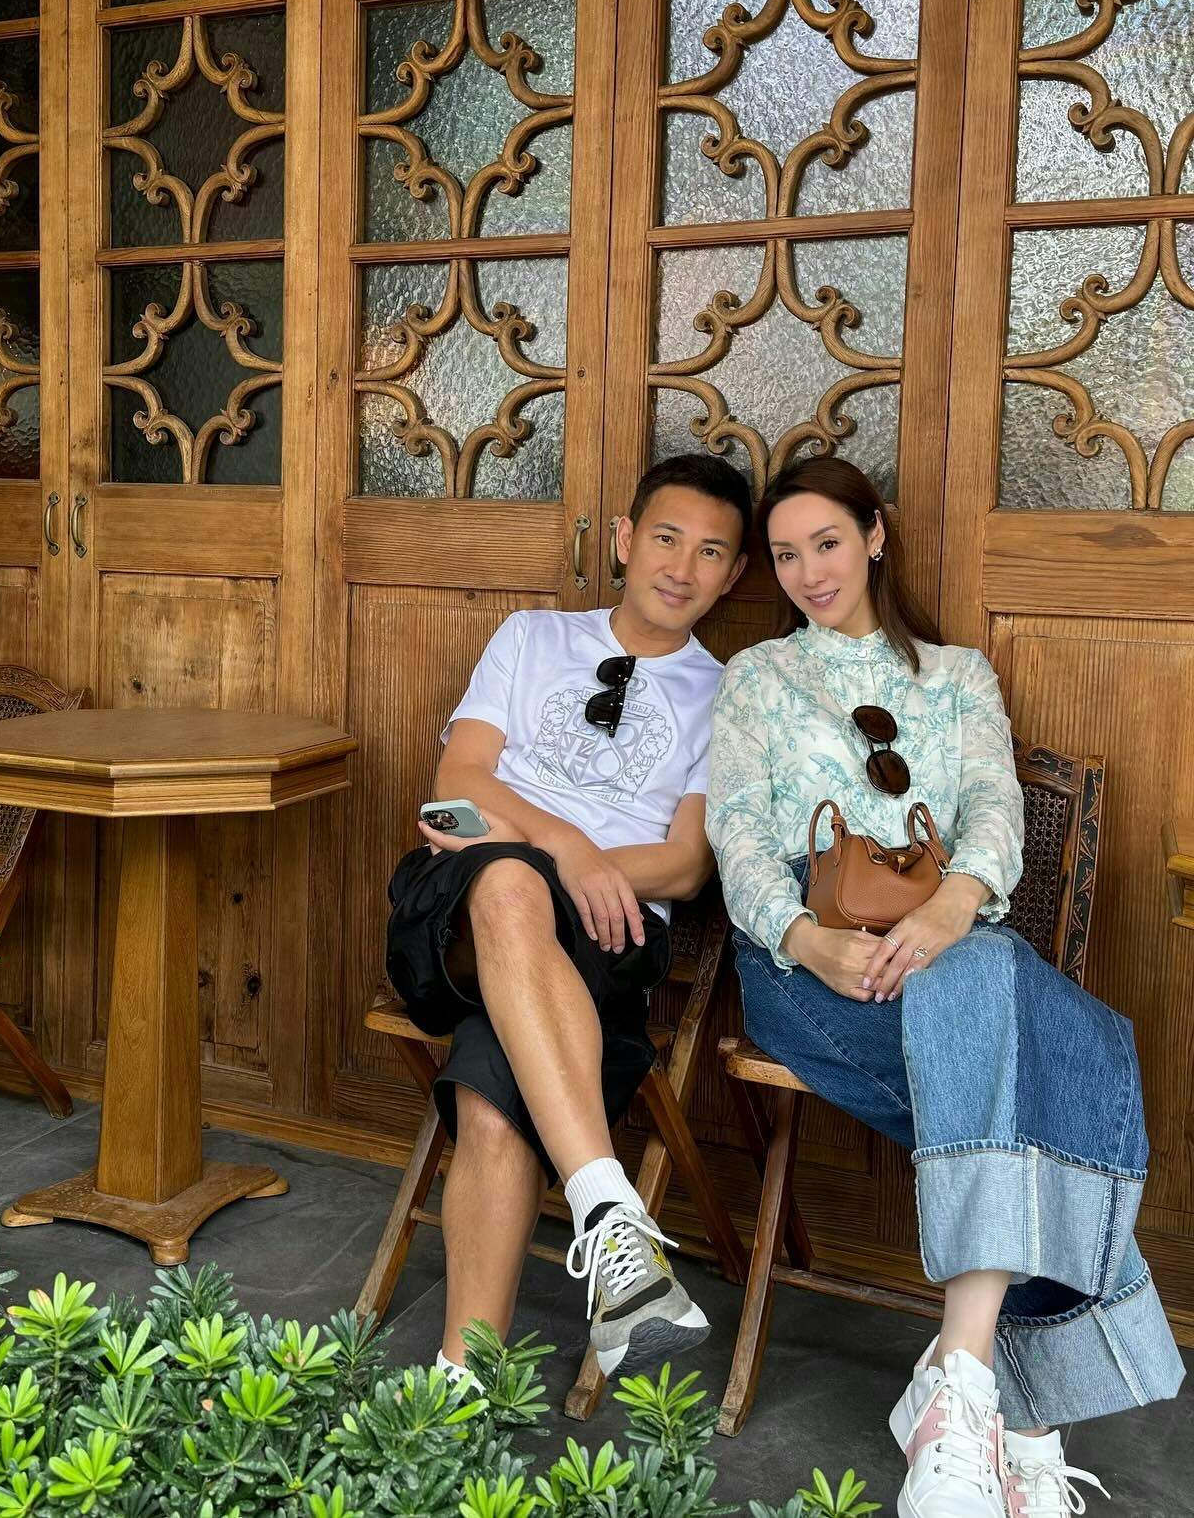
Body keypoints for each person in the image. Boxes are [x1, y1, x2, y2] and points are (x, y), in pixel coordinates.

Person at [705, 457, 1184, 1518]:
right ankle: (1027, 1426)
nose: (808, 571)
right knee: (1055, 1082)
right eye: (785, 555)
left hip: (949, 947)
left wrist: (949, 908)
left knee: (990, 979)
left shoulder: (959, 673)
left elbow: (992, 805)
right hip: (808, 964)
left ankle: (959, 1381)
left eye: (827, 542)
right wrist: (808, 941)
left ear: (875, 536)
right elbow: (733, 831)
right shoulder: (757, 677)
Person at [384, 454, 750, 1382]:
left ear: (735, 574)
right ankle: (610, 1208)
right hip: (459, 912)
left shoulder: (728, 696)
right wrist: (566, 850)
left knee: (491, 1093)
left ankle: (461, 1386)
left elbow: (685, 862)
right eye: (666, 538)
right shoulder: (532, 636)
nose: (682, 567)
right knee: (508, 886)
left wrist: (543, 855)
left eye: (711, 552)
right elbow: (457, 782)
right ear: (625, 540)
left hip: (607, 935)